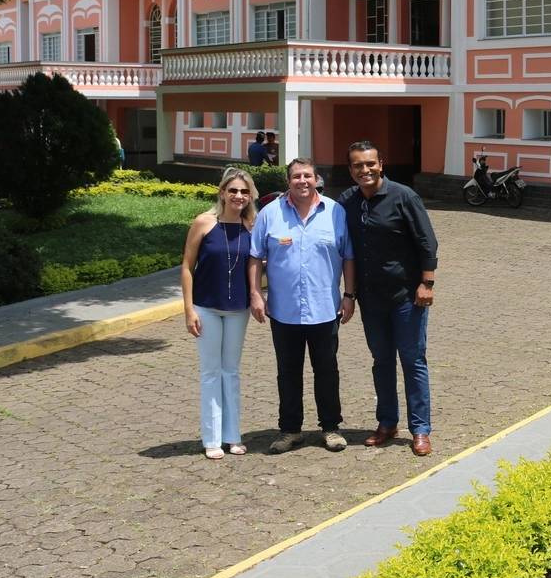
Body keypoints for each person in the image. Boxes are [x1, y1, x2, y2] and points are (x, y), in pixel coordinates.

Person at [337, 141, 439, 457]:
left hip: (407, 297)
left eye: (370, 164)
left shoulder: (403, 197)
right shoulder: (347, 201)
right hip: (372, 299)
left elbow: (427, 242)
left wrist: (426, 283)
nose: (364, 170)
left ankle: (420, 429)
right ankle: (387, 423)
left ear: (381, 163)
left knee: (412, 360)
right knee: (381, 361)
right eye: (357, 165)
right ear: (350, 169)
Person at [248, 158, 356, 454]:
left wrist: (349, 295)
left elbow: (348, 255)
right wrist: (256, 294)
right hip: (283, 310)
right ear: (288, 181)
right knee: (288, 372)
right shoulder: (270, 214)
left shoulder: (335, 212)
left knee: (326, 369)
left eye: (307, 175)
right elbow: (255, 256)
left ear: (316, 179)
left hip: (325, 308)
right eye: (296, 176)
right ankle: (290, 430)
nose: (302, 181)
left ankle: (331, 428)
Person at [181, 167, 258, 459]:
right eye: (233, 190)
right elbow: (187, 267)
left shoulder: (251, 225)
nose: (238, 196)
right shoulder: (203, 223)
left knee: (232, 372)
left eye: (244, 191)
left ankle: (233, 437)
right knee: (211, 372)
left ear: (250, 196)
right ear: (222, 193)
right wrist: (189, 309)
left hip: (238, 309)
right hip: (206, 307)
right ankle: (212, 439)